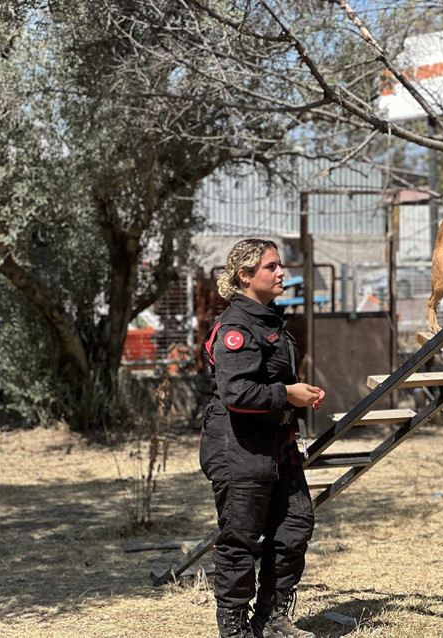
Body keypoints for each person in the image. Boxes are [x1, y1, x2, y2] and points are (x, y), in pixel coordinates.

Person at [200, 238, 323, 638]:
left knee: (295, 527)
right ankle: (234, 631)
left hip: (277, 447)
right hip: (239, 448)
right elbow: (237, 392)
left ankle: (271, 620)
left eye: (279, 265)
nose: (281, 273)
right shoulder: (236, 328)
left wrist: (296, 395)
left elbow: (271, 383)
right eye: (271, 267)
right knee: (239, 541)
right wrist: (287, 393)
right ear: (246, 275)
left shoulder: (270, 320)